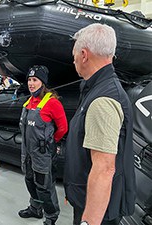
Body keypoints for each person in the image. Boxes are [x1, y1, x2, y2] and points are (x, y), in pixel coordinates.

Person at [64, 23, 136, 225]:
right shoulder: (96, 89)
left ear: (84, 55)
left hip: (98, 213)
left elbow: (104, 169)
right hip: (88, 199)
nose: (74, 60)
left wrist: (89, 222)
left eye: (75, 55)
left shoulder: (102, 99)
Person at [19, 65, 68, 225]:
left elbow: (63, 128)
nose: (31, 83)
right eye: (29, 80)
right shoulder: (28, 102)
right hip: (27, 153)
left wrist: (50, 142)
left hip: (43, 154)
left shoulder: (52, 103)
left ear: (43, 83)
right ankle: (35, 209)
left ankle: (51, 217)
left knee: (44, 187)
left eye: (35, 80)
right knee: (29, 181)